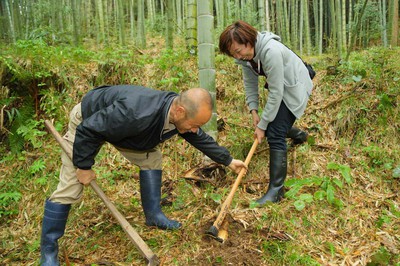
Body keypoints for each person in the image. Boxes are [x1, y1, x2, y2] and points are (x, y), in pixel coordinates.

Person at [40, 85, 247, 265]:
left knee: (151, 158)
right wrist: (83, 167)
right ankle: (48, 253)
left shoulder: (177, 113)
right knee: (70, 187)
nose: (195, 130)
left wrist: (228, 160)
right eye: (194, 125)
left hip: (123, 130)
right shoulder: (135, 114)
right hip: (88, 123)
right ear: (180, 110)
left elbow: (198, 137)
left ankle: (154, 216)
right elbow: (89, 129)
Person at [219, 20, 313, 205]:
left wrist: (262, 126)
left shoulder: (271, 51)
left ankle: (276, 192)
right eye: (233, 54)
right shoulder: (246, 58)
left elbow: (277, 93)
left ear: (248, 41)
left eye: (238, 51)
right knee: (273, 124)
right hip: (281, 88)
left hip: (295, 87)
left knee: (275, 132)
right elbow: (250, 84)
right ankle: (300, 135)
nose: (238, 56)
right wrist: (254, 111)